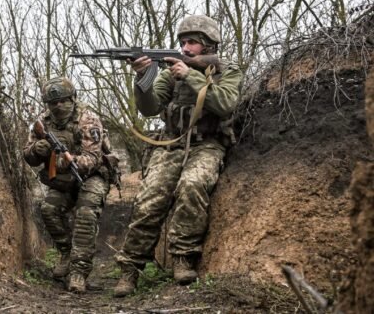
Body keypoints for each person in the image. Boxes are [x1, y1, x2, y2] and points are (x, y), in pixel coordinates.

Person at [112, 15, 243, 297]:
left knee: (192, 186)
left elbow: (225, 103)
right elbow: (148, 109)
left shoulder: (227, 70)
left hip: (207, 144)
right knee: (150, 199)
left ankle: (183, 259)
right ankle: (130, 269)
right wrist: (141, 78)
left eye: (192, 43)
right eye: (182, 42)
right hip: (171, 144)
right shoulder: (170, 72)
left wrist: (192, 76)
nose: (185, 48)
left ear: (208, 45)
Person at [23, 76, 117, 293]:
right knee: (49, 209)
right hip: (64, 180)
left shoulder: (88, 119)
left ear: (73, 98)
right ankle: (66, 253)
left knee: (85, 213)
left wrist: (72, 161)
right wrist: (38, 150)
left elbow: (93, 157)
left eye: (63, 101)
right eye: (52, 103)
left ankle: (78, 272)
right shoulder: (42, 123)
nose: (58, 106)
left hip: (92, 176)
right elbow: (28, 156)